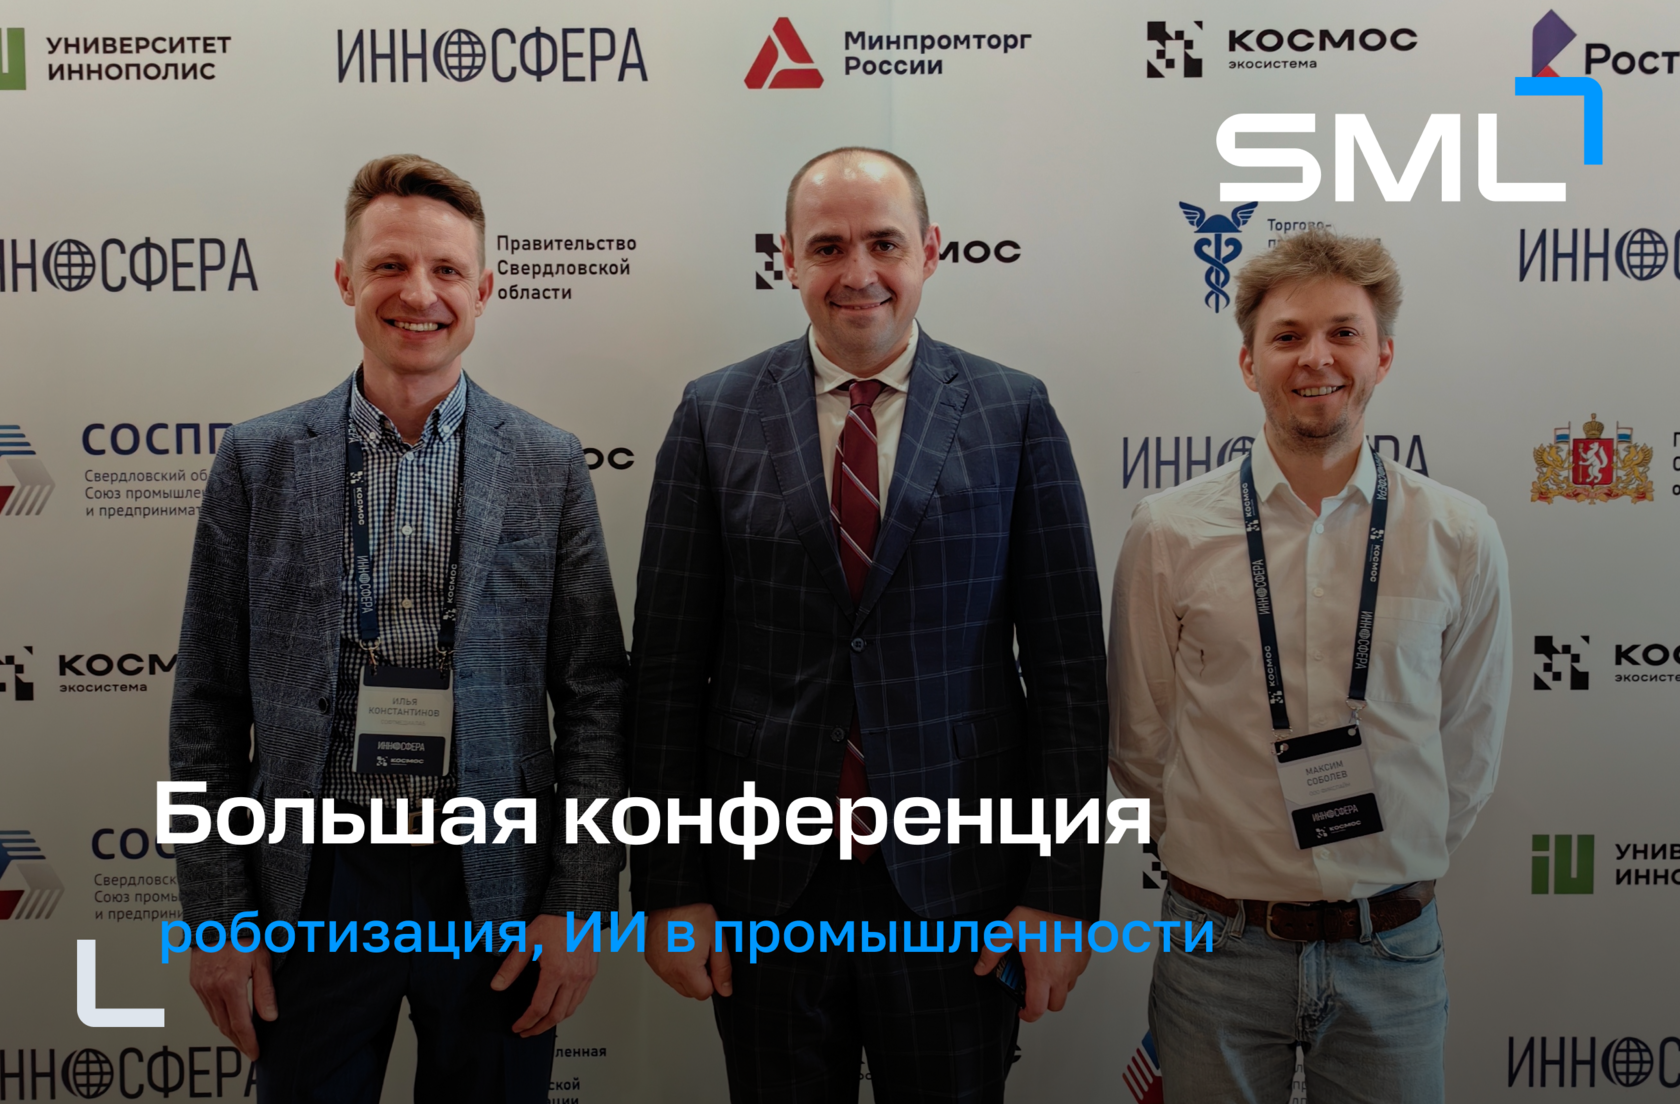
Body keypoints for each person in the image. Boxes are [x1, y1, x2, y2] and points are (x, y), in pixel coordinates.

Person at [629, 147, 1108, 1103]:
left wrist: (1060, 893)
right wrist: (670, 884)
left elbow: (1069, 679)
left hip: (960, 891)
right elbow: (668, 673)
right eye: (828, 247)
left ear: (930, 250)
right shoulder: (712, 414)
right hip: (764, 888)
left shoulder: (1014, 414)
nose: (859, 273)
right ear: (786, 258)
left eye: (885, 243)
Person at [168, 154, 628, 1102]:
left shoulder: (546, 464)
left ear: (483, 290)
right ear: (346, 280)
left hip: (496, 889)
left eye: (447, 269)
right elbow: (206, 705)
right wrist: (215, 916)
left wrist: (580, 903)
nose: (419, 294)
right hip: (313, 888)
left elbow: (594, 700)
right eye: (389, 265)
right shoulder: (258, 460)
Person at [1110, 228, 1512, 1103]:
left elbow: (1470, 744)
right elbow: (1139, 742)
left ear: (1383, 356)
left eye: (1344, 333)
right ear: (1249, 362)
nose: (1316, 358)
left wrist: (1387, 865)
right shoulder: (1169, 531)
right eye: (1288, 336)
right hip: (1215, 945)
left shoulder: (1459, 535)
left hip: (1392, 947)